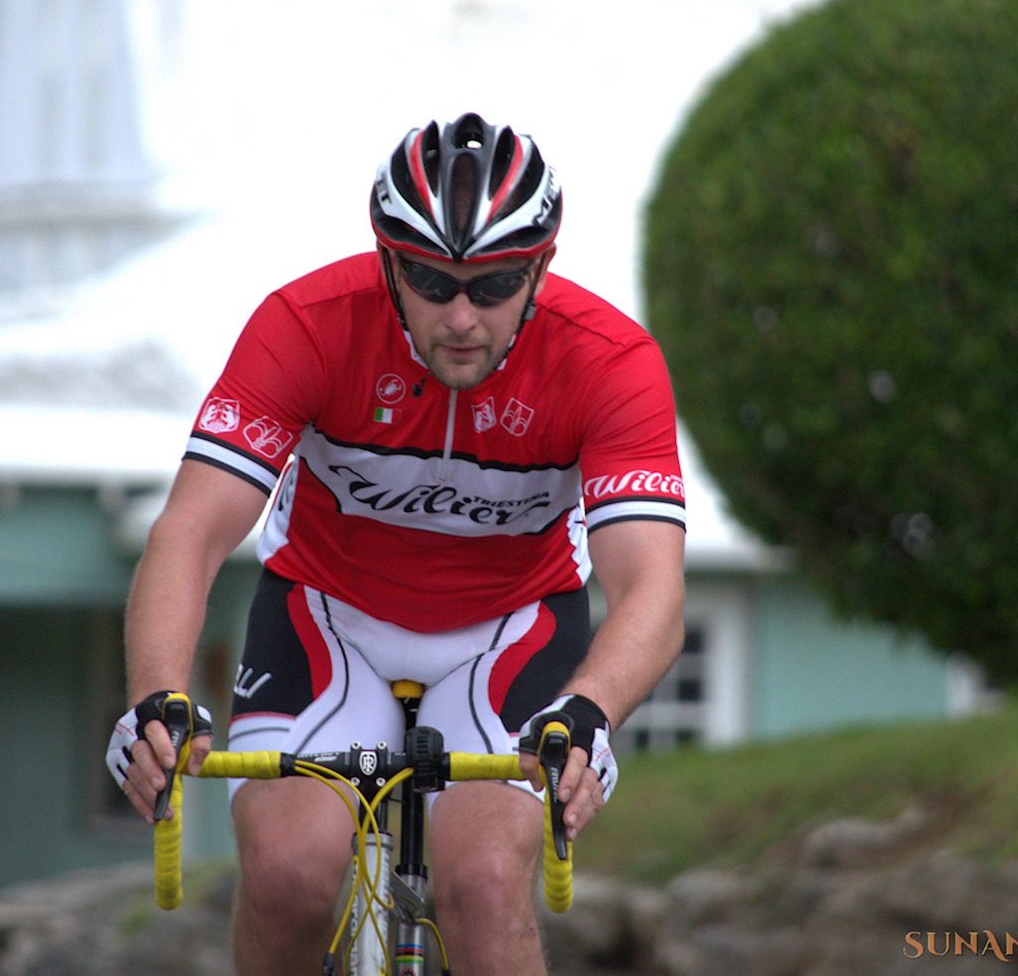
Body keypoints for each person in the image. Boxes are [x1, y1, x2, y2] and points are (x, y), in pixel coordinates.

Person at [107, 112, 686, 976]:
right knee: (287, 874)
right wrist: (157, 693)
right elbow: (190, 530)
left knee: (487, 885)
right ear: (387, 262)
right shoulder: (307, 325)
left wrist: (590, 708)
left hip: (509, 629)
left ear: (540, 269)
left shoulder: (608, 361)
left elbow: (652, 588)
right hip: (328, 617)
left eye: (492, 285)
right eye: (427, 278)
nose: (460, 315)